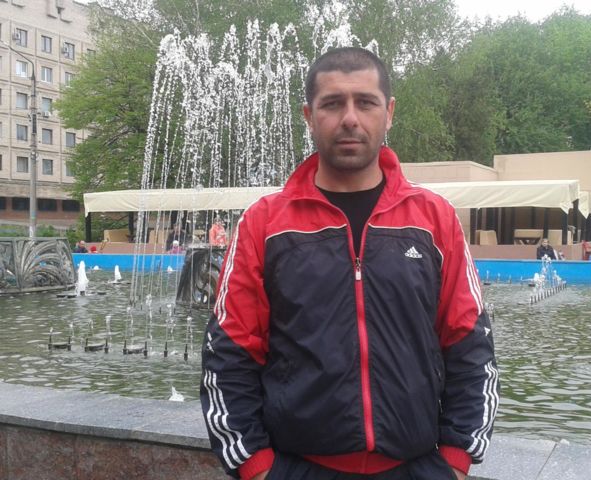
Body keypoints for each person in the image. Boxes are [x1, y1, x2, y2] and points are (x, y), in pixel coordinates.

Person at [201, 47, 499, 480]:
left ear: (389, 113)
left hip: (417, 468)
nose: (350, 118)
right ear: (309, 115)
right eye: (332, 103)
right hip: (296, 469)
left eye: (366, 102)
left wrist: (457, 458)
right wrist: (255, 466)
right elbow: (229, 351)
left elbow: (470, 344)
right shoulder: (264, 223)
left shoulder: (434, 218)